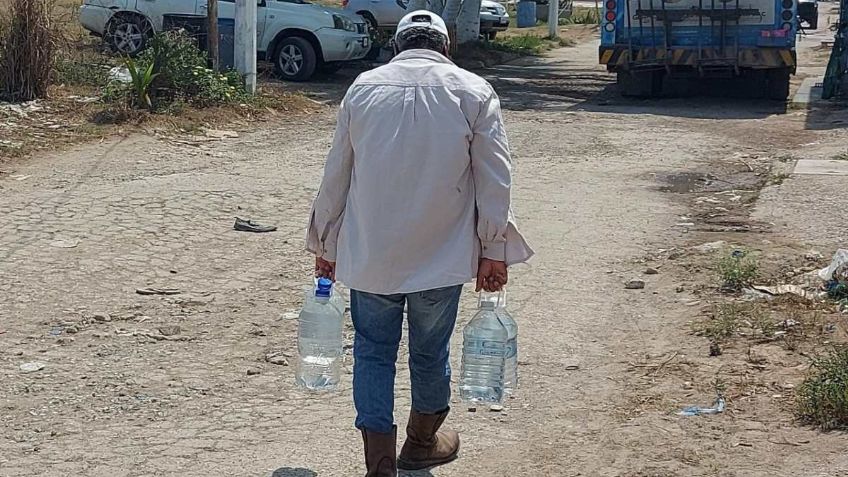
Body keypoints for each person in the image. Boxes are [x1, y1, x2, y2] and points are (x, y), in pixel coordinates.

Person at [306, 10, 533, 477]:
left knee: (373, 350)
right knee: (430, 351)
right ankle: (422, 443)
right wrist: (494, 249)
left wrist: (325, 244)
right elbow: (495, 179)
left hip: (371, 255)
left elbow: (337, 175)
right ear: (446, 48)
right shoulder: (473, 90)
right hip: (440, 256)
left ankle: (380, 463)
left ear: (397, 46)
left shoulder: (364, 88)